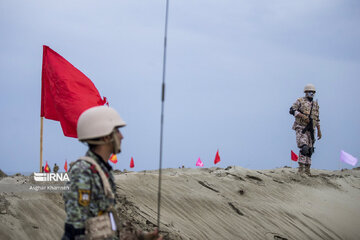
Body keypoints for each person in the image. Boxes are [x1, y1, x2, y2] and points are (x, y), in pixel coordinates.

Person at [62, 106, 161, 240]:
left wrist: (143, 237)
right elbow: (78, 229)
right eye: (117, 131)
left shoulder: (102, 171)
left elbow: (110, 225)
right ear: (105, 137)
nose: (122, 136)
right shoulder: (83, 172)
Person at [290, 84, 322, 176]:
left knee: (310, 150)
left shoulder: (315, 104)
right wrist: (302, 116)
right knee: (304, 148)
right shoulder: (300, 101)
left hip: (311, 130)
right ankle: (301, 170)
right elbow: (292, 110)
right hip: (301, 127)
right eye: (309, 91)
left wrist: (319, 131)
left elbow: (317, 118)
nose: (311, 93)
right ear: (306, 92)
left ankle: (307, 170)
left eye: (312, 92)